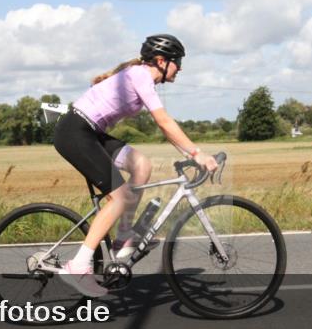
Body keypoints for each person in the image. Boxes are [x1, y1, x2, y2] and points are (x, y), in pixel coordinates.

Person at [52, 34, 218, 297]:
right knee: (118, 199)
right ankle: (78, 265)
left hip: (91, 133)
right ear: (161, 61)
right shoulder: (140, 76)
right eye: (177, 62)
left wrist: (187, 154)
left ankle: (121, 239)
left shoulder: (140, 78)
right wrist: (197, 152)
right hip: (76, 132)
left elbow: (165, 130)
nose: (180, 68)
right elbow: (164, 122)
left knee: (141, 165)